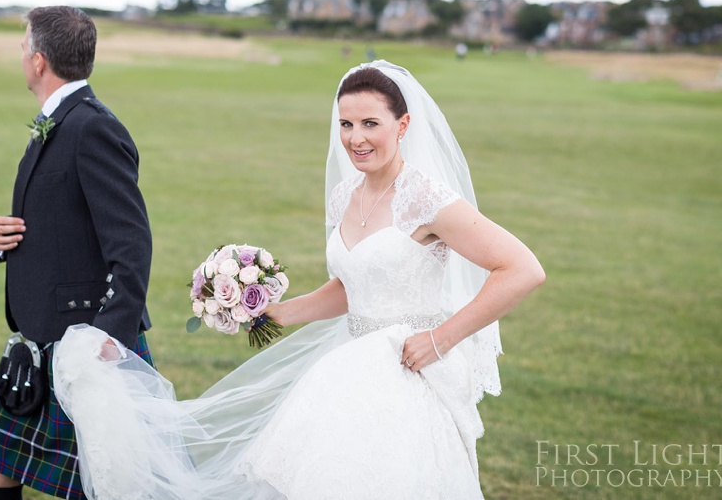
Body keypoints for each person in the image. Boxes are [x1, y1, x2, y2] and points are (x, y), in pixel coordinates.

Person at [52, 60, 545, 499]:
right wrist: (280, 311)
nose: (356, 138)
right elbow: (353, 287)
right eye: (347, 124)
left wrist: (439, 340)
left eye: (371, 123)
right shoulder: (346, 195)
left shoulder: (427, 199)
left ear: (403, 125)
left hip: (408, 376)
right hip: (350, 370)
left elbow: (522, 270)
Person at [0, 6, 155, 500]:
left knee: (103, 484)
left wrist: (110, 337)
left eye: (22, 48)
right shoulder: (58, 120)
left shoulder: (92, 127)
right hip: (40, 336)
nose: (21, 57)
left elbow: (132, 243)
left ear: (37, 61)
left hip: (84, 339)